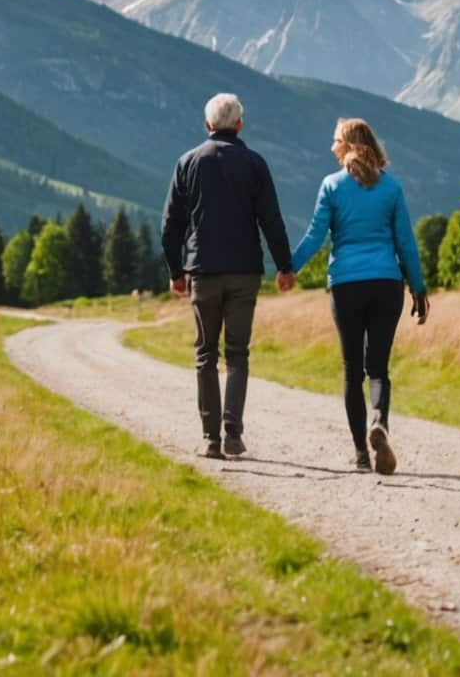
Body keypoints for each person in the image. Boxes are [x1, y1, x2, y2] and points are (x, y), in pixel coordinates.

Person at [288, 118, 427, 475]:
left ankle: (362, 455)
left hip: (347, 284)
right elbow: (405, 242)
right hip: (386, 283)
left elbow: (316, 236)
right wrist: (418, 287)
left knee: (353, 370)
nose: (331, 147)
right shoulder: (391, 188)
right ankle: (379, 420)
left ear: (349, 144)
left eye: (336, 141)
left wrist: (290, 268)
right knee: (378, 366)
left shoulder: (332, 186)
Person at [163, 92, 295, 460]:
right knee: (237, 354)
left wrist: (176, 271)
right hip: (244, 272)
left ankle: (210, 439)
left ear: (207, 125)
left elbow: (170, 225)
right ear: (239, 124)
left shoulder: (187, 162)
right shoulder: (255, 164)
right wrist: (284, 266)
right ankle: (233, 433)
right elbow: (271, 219)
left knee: (205, 353)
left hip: (202, 271)